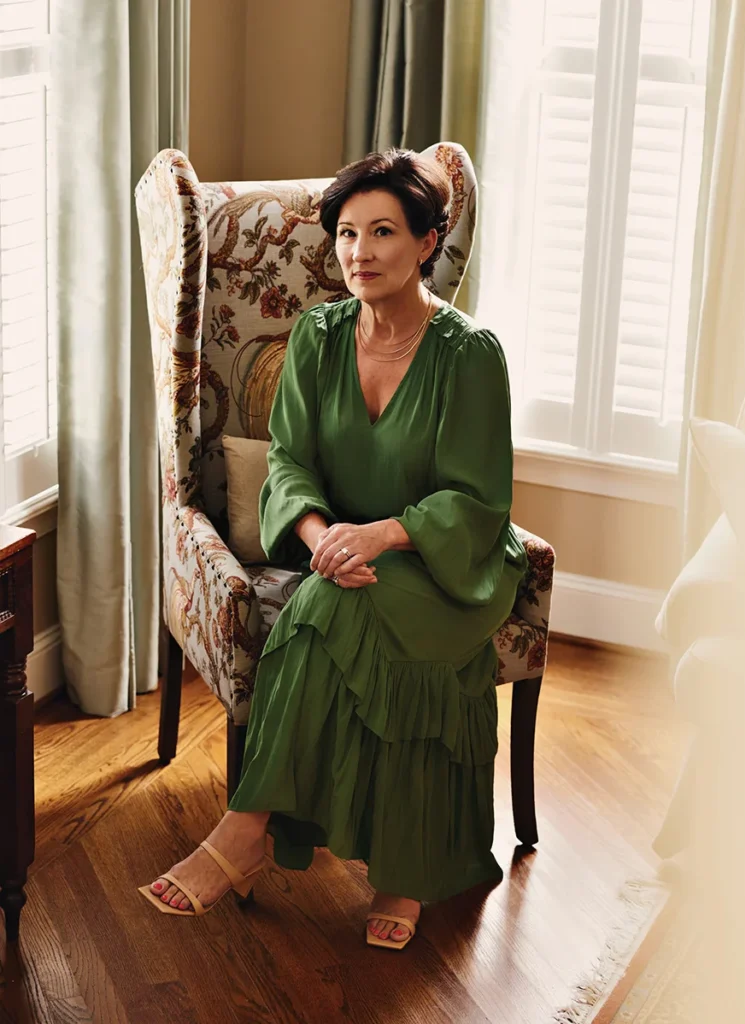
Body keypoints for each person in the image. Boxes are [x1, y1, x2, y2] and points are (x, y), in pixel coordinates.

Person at [139, 148, 528, 950]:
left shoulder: (469, 355)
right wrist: (321, 540)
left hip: (447, 565)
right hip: (341, 555)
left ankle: (247, 834)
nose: (359, 252)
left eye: (383, 231)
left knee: (335, 607)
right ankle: (395, 868)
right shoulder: (316, 336)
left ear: (427, 241)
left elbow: (477, 498)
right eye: (347, 233)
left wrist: (382, 534)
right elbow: (290, 464)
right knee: (335, 597)